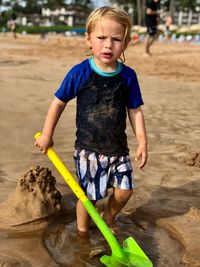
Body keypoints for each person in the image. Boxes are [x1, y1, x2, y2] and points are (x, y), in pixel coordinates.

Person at [35, 6, 148, 235]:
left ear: (125, 44)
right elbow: (58, 102)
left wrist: (142, 141)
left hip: (119, 149)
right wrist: (48, 134)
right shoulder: (80, 72)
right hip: (89, 151)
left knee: (125, 191)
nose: (108, 45)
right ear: (88, 40)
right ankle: (82, 232)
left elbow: (134, 110)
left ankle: (108, 216)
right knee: (89, 198)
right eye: (101, 38)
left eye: (116, 39)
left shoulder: (128, 76)